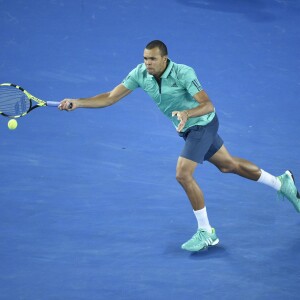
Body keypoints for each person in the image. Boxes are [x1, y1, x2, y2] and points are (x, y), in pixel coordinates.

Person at [59, 40, 300, 252]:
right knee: (229, 165)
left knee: (183, 174)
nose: (147, 63)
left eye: (152, 59)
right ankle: (282, 183)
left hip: (202, 125)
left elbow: (208, 105)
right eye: (145, 58)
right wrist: (78, 103)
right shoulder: (140, 73)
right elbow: (111, 96)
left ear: (164, 59)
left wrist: (186, 112)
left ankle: (207, 232)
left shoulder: (183, 72)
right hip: (187, 130)